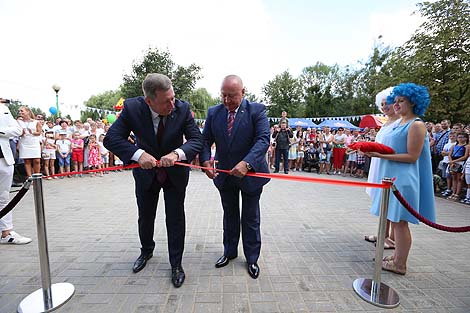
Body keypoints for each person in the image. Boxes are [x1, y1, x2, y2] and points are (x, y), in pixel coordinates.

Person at [104, 73, 202, 288]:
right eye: (166, 101)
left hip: (174, 174)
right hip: (146, 174)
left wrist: (177, 154)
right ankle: (146, 251)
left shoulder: (182, 109)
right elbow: (111, 139)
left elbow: (197, 140)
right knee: (145, 216)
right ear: (149, 101)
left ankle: (176, 263)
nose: (172, 104)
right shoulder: (132, 109)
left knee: (175, 218)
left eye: (173, 97)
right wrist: (138, 155)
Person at [200, 75, 270, 279]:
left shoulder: (257, 110)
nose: (227, 100)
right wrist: (205, 161)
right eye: (223, 95)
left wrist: (247, 163)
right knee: (229, 215)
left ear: (243, 92)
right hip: (225, 176)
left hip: (251, 175)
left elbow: (263, 140)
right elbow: (205, 141)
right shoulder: (214, 112)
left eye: (232, 96)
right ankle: (229, 252)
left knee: (250, 218)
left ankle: (252, 259)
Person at [366, 83, 436, 275]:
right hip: (392, 178)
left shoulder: (417, 124)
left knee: (400, 222)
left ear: (413, 101)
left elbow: (411, 156)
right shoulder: (399, 123)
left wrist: (380, 156)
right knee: (395, 221)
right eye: (394, 101)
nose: (396, 105)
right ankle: (397, 257)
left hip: (403, 180)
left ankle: (400, 263)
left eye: (401, 101)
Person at [364, 87, 401, 249]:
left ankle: (391, 238)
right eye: (382, 104)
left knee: (393, 203)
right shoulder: (387, 123)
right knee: (383, 202)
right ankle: (383, 234)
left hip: (391, 165)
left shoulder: (401, 123)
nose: (385, 107)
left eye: (388, 103)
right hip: (380, 163)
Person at [0, 99, 32, 244]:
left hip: (4, 158)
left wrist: (1, 131)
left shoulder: (4, 109)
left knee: (4, 196)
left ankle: (6, 232)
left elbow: (17, 130)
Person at [17, 106, 42, 177]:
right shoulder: (18, 122)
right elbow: (16, 132)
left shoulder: (36, 122)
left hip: (34, 142)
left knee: (37, 160)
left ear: (27, 112)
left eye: (22, 111)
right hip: (24, 142)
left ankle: (37, 177)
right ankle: (30, 177)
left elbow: (39, 133)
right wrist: (21, 133)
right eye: (19, 111)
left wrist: (33, 132)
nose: (20, 112)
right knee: (27, 161)